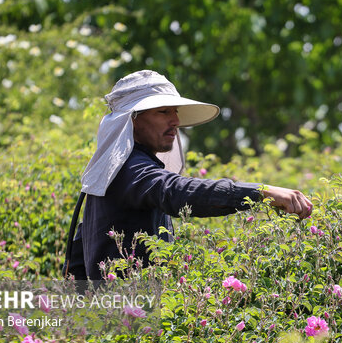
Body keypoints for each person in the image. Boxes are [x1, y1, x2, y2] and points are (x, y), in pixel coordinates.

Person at [80, 70, 312, 281]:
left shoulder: (120, 169)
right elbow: (177, 191)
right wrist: (261, 192)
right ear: (132, 119)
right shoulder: (130, 169)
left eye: (175, 112)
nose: (176, 121)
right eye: (163, 111)